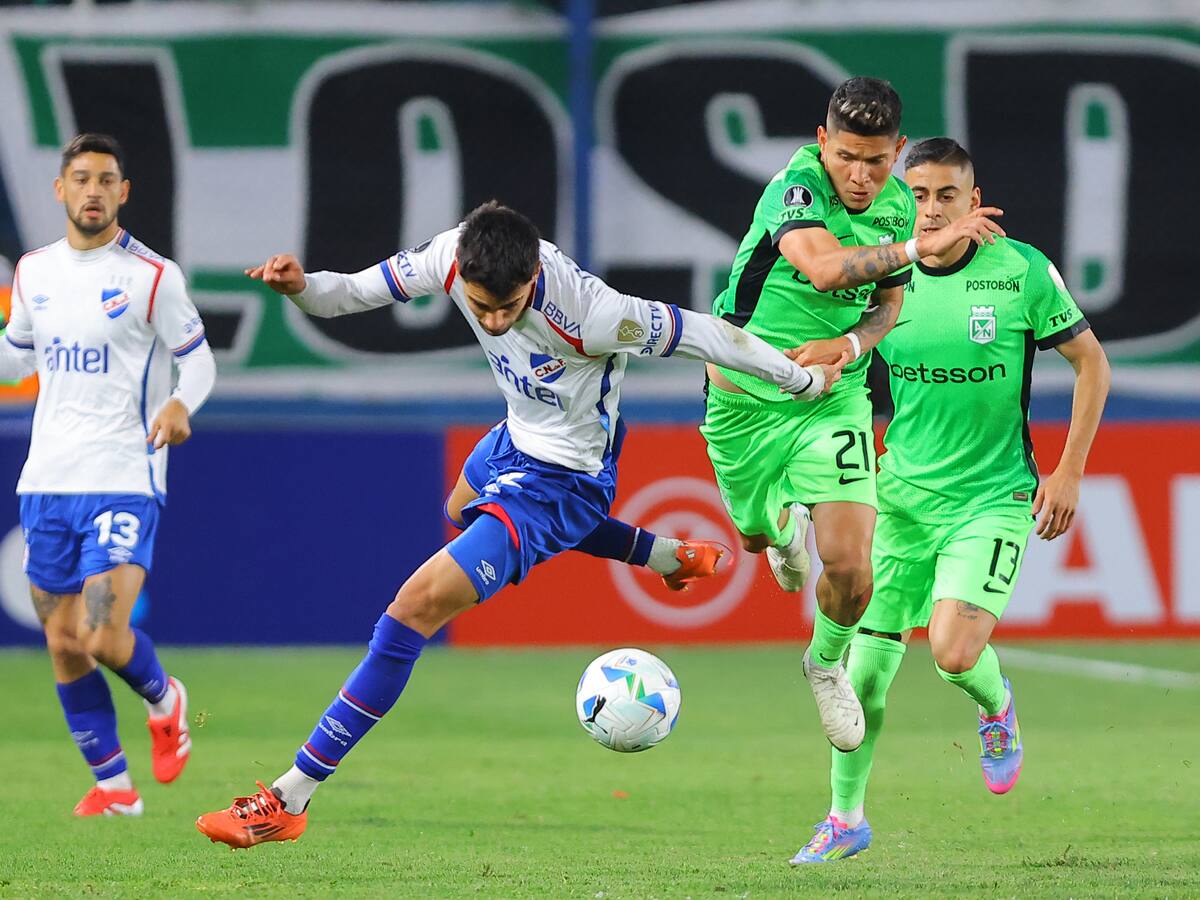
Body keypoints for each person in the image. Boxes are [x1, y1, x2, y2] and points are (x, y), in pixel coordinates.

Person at [195, 200, 846, 848]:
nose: (496, 320)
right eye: (482, 307)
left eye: (509, 307)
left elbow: (709, 335)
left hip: (566, 476)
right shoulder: (450, 256)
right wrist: (303, 287)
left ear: (534, 273)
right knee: (456, 512)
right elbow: (354, 293)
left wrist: (802, 382)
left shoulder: (597, 312)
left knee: (410, 610)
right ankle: (661, 556)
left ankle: (288, 798)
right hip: (514, 437)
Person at [790, 138, 1110, 863]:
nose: (931, 210)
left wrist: (1068, 472)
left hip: (991, 499)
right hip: (900, 501)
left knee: (954, 653)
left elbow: (1092, 362)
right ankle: (846, 818)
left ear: (974, 200)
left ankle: (996, 708)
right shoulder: (879, 278)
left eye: (947, 195)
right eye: (920, 195)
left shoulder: (1020, 271)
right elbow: (836, 370)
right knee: (863, 678)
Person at [701, 76, 1003, 751]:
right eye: (845, 156)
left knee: (850, 564)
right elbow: (824, 268)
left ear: (897, 151)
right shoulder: (795, 189)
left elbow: (886, 307)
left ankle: (825, 662)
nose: (860, 176)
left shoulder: (897, 206)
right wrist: (917, 250)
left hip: (832, 397)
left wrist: (847, 345)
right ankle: (780, 531)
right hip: (744, 396)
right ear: (820, 143)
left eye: (876, 160)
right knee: (752, 535)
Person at [0, 133, 215, 815]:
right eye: (81, 178)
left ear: (123, 193)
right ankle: (115, 788)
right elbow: (16, 362)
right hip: (47, 482)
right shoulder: (34, 272)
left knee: (100, 633)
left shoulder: (153, 277)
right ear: (59, 190)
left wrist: (183, 401)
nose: (93, 190)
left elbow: (200, 359)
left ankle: (166, 698)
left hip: (124, 473)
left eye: (107, 180)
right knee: (63, 641)